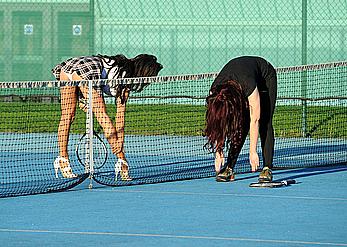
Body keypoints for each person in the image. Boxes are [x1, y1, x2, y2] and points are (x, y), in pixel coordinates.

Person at [52, 54, 163, 180]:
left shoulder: (119, 71)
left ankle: (63, 159)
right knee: (102, 115)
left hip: (68, 67)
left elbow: (119, 117)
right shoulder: (124, 80)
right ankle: (122, 162)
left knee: (67, 116)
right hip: (88, 68)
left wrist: (82, 98)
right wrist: (119, 146)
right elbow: (119, 116)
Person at [204, 56, 277, 182]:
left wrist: (252, 152)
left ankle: (267, 168)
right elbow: (217, 124)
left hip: (265, 79)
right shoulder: (214, 92)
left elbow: (255, 120)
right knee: (240, 124)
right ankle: (229, 168)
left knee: (265, 120)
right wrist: (218, 151)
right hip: (241, 80)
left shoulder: (247, 85)